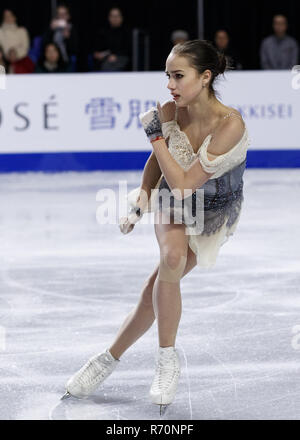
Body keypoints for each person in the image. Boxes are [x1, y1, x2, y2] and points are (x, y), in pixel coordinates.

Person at [62, 39, 250, 413]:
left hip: (213, 209)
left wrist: (154, 134)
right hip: (173, 199)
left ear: (205, 77)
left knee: (157, 285)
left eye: (178, 76)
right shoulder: (172, 109)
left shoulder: (230, 124)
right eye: (168, 75)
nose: (170, 84)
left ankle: (108, 358)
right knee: (172, 257)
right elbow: (162, 165)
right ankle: (167, 361)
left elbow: (183, 182)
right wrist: (144, 194)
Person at [93, 7, 132, 72]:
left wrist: (116, 56)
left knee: (108, 65)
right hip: (105, 59)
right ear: (109, 18)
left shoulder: (127, 32)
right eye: (112, 16)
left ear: (121, 18)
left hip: (121, 59)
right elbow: (97, 49)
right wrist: (97, 54)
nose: (115, 19)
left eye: (117, 16)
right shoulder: (103, 32)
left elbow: (128, 50)